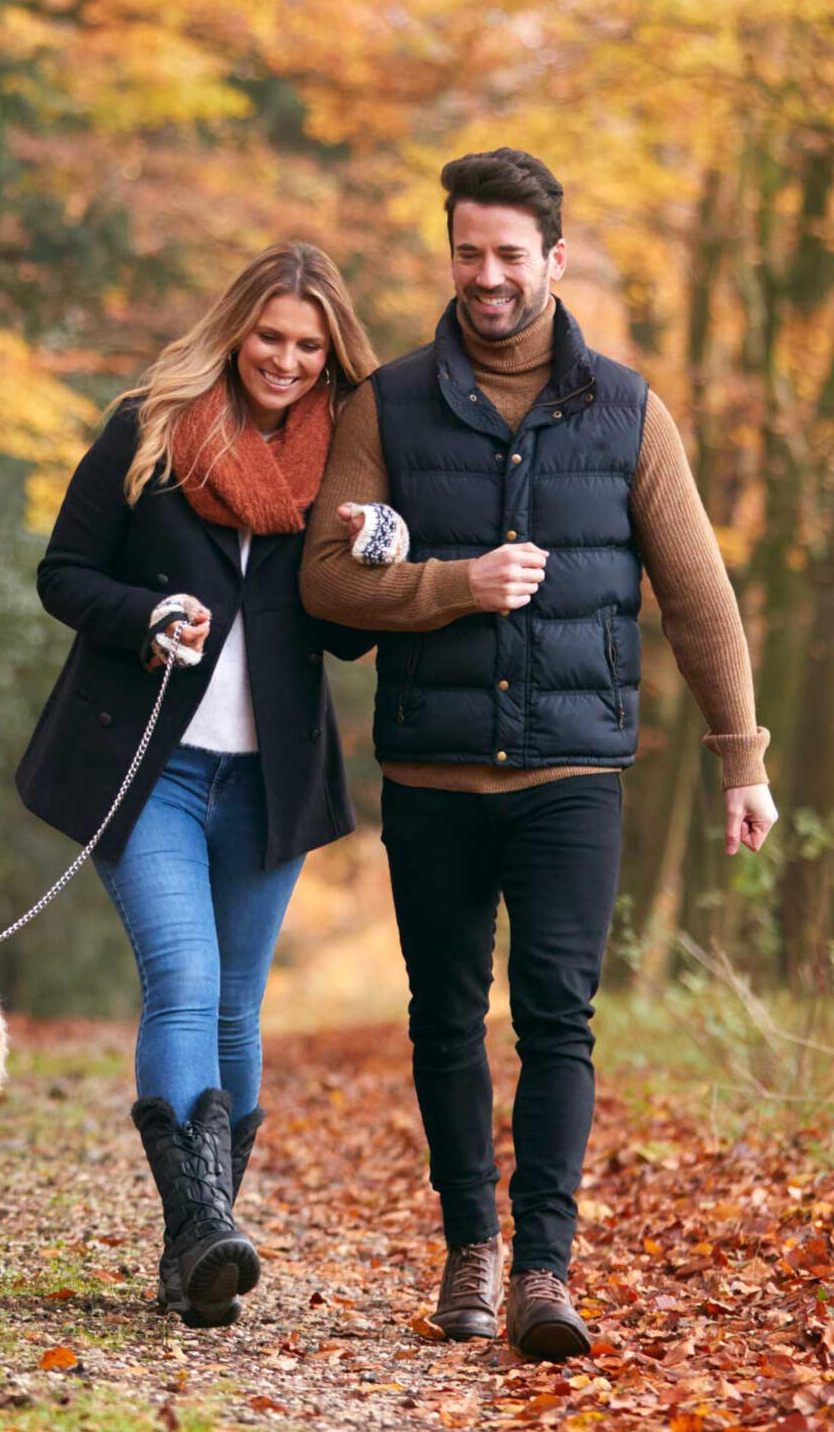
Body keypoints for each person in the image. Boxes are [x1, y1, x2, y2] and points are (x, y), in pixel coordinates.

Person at [299, 149, 779, 1361]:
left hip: (573, 776)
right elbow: (322, 580)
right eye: (469, 252)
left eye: (511, 255)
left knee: (558, 1019)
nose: (488, 276)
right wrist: (453, 586)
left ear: (554, 261)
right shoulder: (387, 406)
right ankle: (470, 1250)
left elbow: (700, 596)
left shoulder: (626, 411)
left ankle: (544, 1271)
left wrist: (741, 758)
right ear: (449, 254)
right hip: (431, 774)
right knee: (446, 1020)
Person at [16, 242, 400, 1329]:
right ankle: (198, 1229)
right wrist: (141, 615)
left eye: (306, 345)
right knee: (183, 976)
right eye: (269, 336)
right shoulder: (151, 425)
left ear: (331, 356)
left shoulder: (346, 461)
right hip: (151, 768)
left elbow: (346, 640)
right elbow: (63, 572)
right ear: (237, 329)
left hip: (271, 779)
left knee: (237, 1000)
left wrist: (375, 550)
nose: (283, 359)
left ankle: (203, 1249)